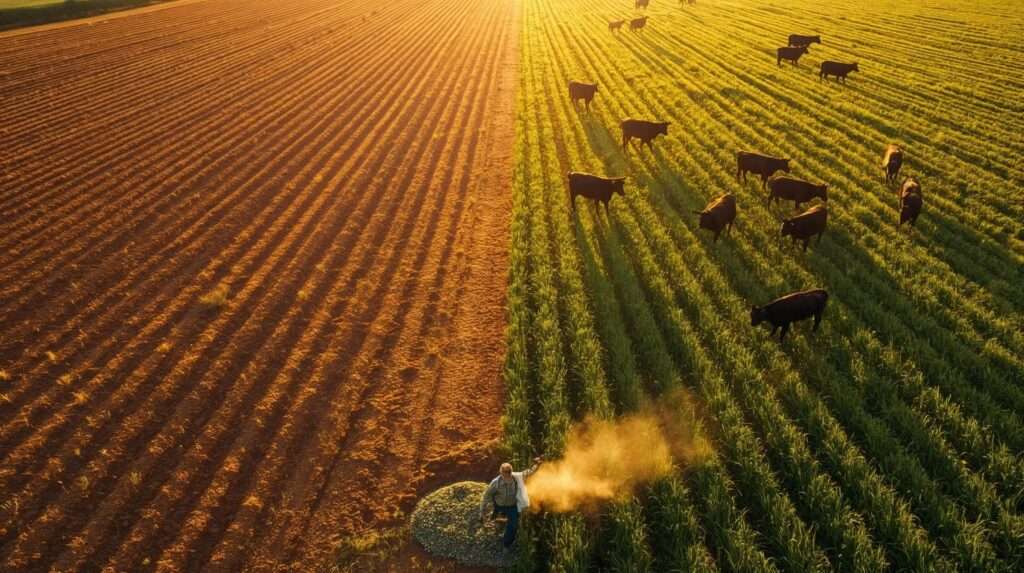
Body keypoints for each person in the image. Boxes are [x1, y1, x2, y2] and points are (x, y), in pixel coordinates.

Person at [479, 457, 542, 551]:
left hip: (512, 506)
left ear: (511, 472)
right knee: (494, 516)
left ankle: (507, 544)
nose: (507, 476)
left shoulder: (517, 477)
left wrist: (537, 464)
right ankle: (498, 519)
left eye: (509, 473)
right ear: (501, 473)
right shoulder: (495, 483)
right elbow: (486, 497)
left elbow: (529, 472)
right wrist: (481, 513)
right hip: (498, 505)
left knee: (513, 525)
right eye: (505, 474)